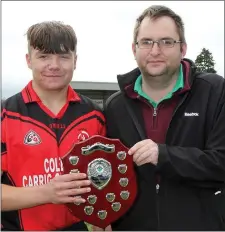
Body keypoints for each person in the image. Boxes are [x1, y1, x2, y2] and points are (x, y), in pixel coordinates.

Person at [104, 5, 225, 231]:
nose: (155, 50)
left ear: (183, 49)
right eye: (147, 42)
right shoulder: (115, 105)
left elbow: (221, 163)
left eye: (167, 42)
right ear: (134, 48)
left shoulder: (215, 91)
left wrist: (163, 154)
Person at [1, 21, 106, 231]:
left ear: (75, 61)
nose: (54, 65)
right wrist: (47, 193)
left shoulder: (94, 116)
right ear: (29, 60)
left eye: (64, 56)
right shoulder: (5, 115)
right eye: (44, 56)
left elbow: (103, 184)